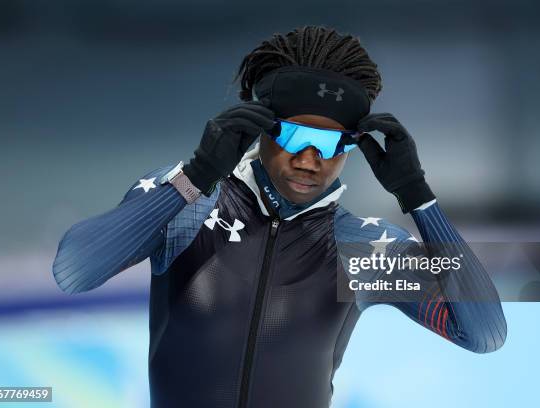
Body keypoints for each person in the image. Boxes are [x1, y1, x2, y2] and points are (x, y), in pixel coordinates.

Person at [52, 26, 506, 408]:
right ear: (260, 124)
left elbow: (484, 335)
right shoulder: (191, 203)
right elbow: (75, 270)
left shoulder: (362, 250)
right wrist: (196, 176)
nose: (311, 160)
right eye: (295, 136)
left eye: (332, 144)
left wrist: (418, 197)